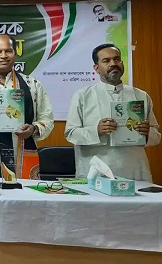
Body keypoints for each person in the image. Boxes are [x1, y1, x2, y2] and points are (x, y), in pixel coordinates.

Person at [65, 43, 160, 181]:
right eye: (106, 60)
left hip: (134, 171)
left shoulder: (141, 96)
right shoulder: (83, 96)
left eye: (117, 59)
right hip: (96, 171)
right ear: (96, 68)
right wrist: (96, 131)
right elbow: (71, 134)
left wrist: (147, 132)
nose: (113, 64)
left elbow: (156, 136)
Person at [0, 35, 54, 178]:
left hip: (24, 159)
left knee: (26, 192)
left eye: (8, 51)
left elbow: (47, 119)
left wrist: (34, 129)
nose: (3, 56)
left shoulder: (33, 85)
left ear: (15, 54)